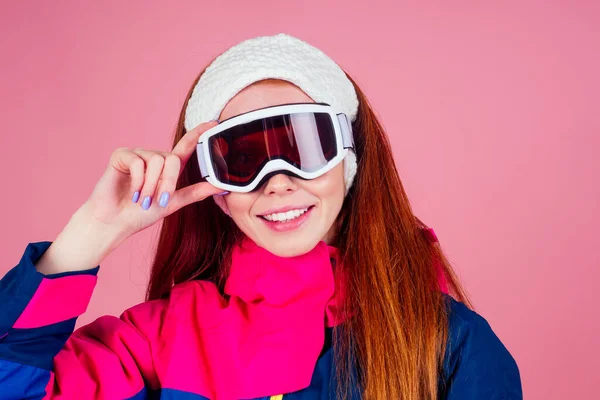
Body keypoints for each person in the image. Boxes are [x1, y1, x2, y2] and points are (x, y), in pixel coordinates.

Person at [0, 33, 522, 400]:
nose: (276, 181)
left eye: (306, 146)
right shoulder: (161, 341)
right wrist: (92, 233)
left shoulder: (450, 344)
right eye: (241, 158)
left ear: (351, 158)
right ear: (215, 188)